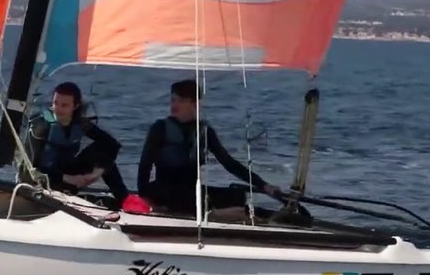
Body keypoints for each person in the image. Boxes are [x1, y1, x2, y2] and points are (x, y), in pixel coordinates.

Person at [136, 79, 285, 220]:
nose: (175, 105)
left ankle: (229, 214)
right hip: (164, 190)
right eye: (173, 100)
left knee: (237, 195)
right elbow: (145, 166)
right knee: (188, 198)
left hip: (191, 190)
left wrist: (263, 185)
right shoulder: (160, 128)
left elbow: (229, 164)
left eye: (181, 101)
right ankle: (215, 214)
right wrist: (143, 196)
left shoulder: (204, 131)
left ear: (195, 104)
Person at [23, 81, 132, 204]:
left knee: (104, 155)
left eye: (64, 105)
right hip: (44, 179)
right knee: (108, 203)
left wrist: (97, 173)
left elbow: (112, 145)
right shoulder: (41, 127)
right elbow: (31, 169)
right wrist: (71, 179)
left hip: (69, 172)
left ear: (75, 106)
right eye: (55, 103)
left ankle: (125, 200)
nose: (58, 109)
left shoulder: (80, 123)